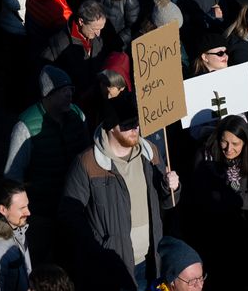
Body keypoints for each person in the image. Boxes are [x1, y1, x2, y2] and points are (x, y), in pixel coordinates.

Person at [60, 95, 177, 291]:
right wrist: (99, 248)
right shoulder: (87, 163)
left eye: (137, 124)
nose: (135, 130)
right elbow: (69, 215)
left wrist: (171, 187)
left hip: (151, 261)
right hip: (114, 267)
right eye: (128, 126)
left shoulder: (151, 153)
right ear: (111, 127)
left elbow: (168, 203)